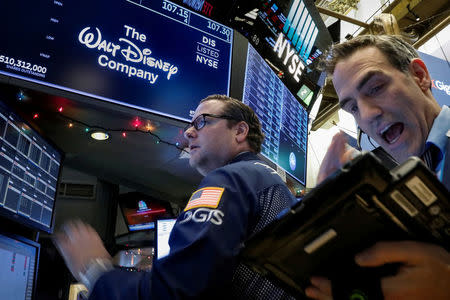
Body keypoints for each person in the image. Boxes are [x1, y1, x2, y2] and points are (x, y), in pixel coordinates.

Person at [54, 95, 297, 299]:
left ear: (240, 131)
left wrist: (95, 272)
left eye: (202, 122)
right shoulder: (273, 184)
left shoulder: (230, 180)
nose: (189, 132)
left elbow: (177, 289)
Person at [306, 35, 450, 300]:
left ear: (419, 76)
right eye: (352, 108)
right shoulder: (406, 186)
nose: (367, 115)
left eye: (375, 88)